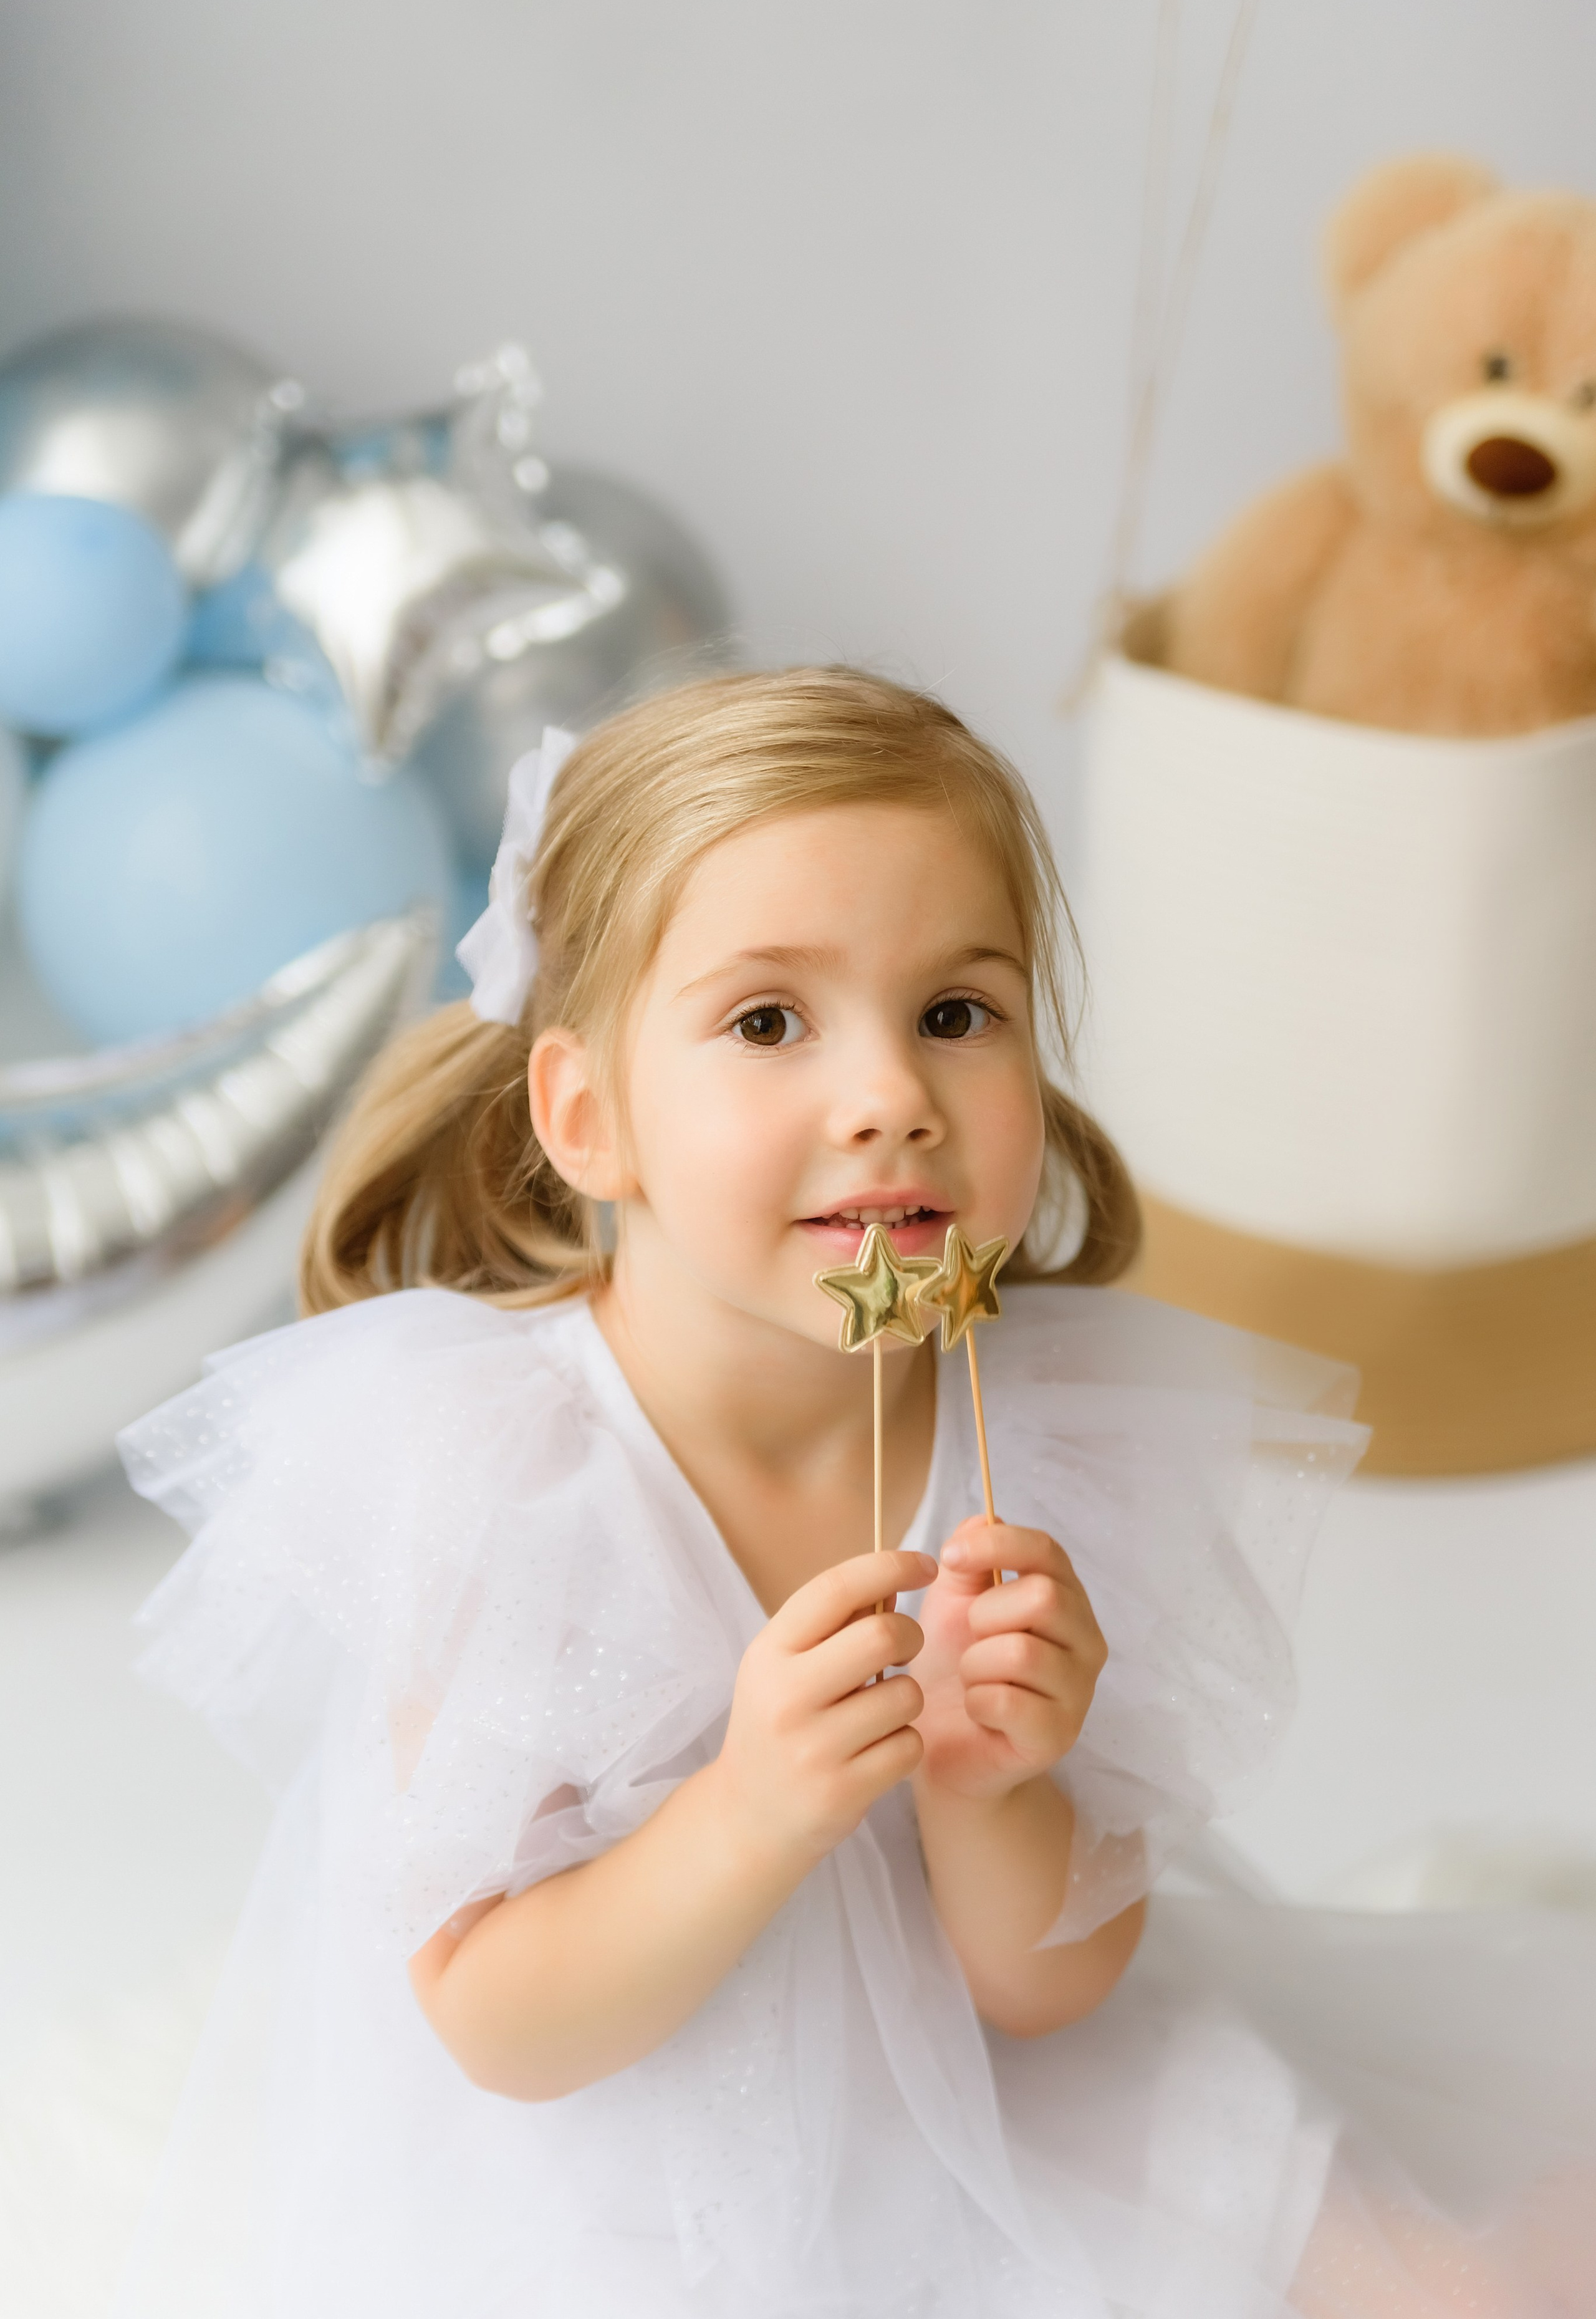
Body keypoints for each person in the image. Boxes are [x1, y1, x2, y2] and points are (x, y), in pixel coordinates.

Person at [116, 670, 1593, 2318]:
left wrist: (991, 1787)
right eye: (769, 1022)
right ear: (587, 1115)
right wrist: (751, 1809)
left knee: (1440, 2281)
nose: (892, 1091)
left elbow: (1045, 1991)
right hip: (649, 2144)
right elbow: (500, 2021)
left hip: (1011, 2079)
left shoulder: (1036, 1425)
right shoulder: (507, 1472)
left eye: (958, 1012)